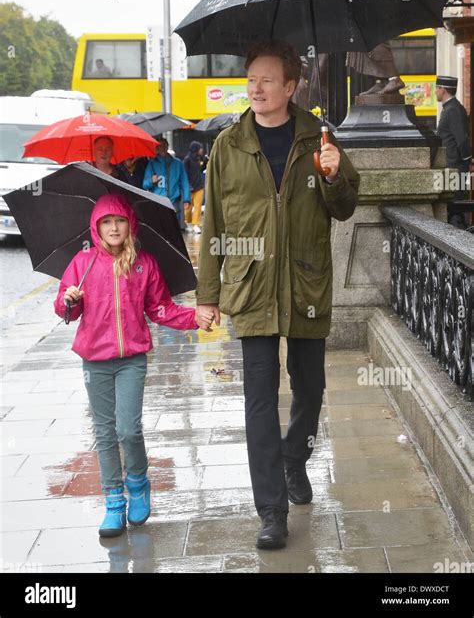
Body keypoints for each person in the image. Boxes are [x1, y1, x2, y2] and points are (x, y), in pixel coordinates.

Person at [195, 39, 360, 550]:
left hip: (305, 283)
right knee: (258, 402)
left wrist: (333, 177)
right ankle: (271, 510)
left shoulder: (319, 138)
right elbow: (214, 223)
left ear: (292, 87)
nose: (256, 88)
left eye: (268, 80)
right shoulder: (229, 144)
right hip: (251, 288)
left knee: (310, 390)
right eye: (252, 79)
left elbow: (347, 206)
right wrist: (207, 293)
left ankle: (295, 457)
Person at [54, 193, 213, 538]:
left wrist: (194, 318)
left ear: (130, 225)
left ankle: (139, 484)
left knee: (129, 429)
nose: (113, 227)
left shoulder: (144, 264)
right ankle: (114, 501)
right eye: (106, 222)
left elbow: (161, 309)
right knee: (105, 433)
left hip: (132, 360)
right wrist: (69, 300)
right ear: (96, 228)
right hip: (94, 361)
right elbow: (66, 311)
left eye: (120, 221)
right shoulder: (83, 263)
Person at [436, 75, 472, 229]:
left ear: (442, 89)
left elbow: (462, 139)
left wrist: (468, 159)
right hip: (451, 165)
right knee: (451, 204)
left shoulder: (453, 110)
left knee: (455, 206)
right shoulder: (450, 108)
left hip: (456, 166)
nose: (435, 92)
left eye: (436, 89)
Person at [142, 138, 191, 231]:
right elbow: (145, 185)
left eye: (164, 145)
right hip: (158, 203)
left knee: (173, 230)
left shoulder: (178, 163)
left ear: (167, 146)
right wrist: (151, 181)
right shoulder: (152, 163)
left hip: (174, 202)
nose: (162, 148)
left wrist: (187, 199)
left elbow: (184, 181)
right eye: (159, 146)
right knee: (160, 230)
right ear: (156, 148)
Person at [183, 140, 205, 233]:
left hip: (199, 186)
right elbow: (184, 173)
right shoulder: (187, 160)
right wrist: (188, 185)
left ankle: (196, 224)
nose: (202, 150)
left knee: (198, 206)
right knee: (188, 208)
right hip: (190, 187)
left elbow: (200, 169)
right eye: (200, 148)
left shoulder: (199, 158)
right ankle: (187, 221)